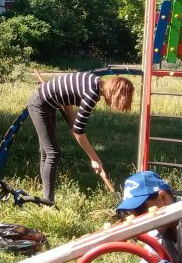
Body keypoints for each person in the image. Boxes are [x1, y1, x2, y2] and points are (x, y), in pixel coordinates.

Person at [28, 71, 133, 201]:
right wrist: (94, 159)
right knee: (53, 153)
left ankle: (45, 196)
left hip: (47, 104)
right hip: (39, 106)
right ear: (116, 95)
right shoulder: (91, 95)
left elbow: (67, 99)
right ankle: (48, 201)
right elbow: (79, 131)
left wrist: (74, 126)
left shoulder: (95, 80)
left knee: (46, 152)